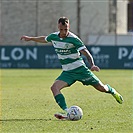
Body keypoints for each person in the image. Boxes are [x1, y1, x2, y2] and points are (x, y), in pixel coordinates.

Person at [21, 16, 123, 120]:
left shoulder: (74, 39)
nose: (64, 32)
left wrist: (92, 64)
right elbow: (44, 39)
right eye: (61, 29)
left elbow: (86, 53)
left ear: (69, 27)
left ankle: (112, 91)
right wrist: (31, 38)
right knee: (54, 88)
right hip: (67, 72)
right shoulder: (54, 36)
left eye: (66, 29)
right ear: (58, 27)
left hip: (81, 70)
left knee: (102, 88)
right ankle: (67, 112)